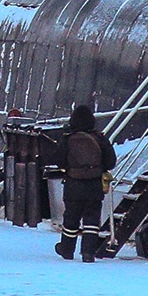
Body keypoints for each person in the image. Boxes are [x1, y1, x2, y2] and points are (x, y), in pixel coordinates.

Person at [54, 100, 114, 261]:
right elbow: (111, 162)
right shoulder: (100, 138)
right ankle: (88, 252)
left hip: (73, 185)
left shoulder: (68, 138)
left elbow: (59, 160)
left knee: (71, 218)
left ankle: (67, 249)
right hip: (94, 186)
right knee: (92, 220)